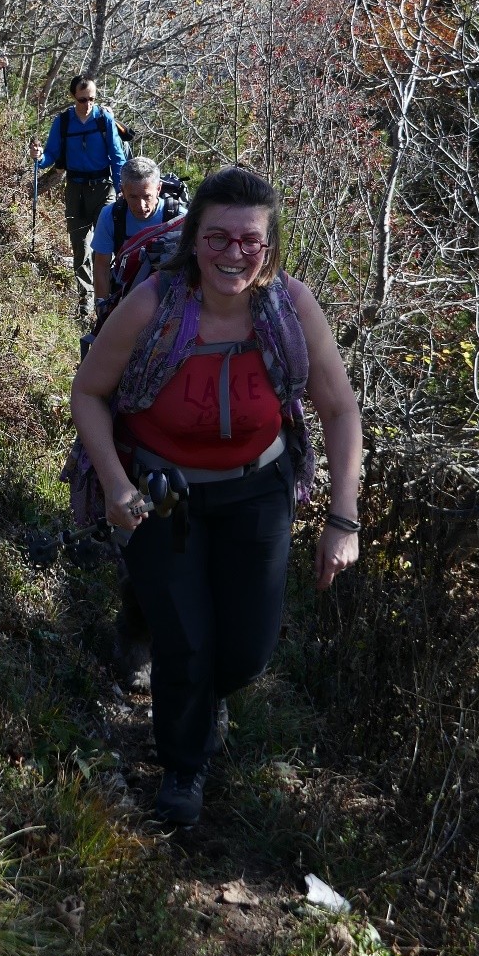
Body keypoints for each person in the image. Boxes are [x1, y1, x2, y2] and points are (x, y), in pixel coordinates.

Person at [69, 165, 362, 828]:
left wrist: (343, 518)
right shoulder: (154, 303)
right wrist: (115, 484)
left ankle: (177, 663)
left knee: (247, 650)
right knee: (189, 643)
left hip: (258, 490)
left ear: (271, 246)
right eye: (218, 239)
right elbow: (89, 392)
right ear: (194, 240)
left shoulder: (291, 308)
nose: (234, 254)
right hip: (159, 493)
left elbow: (340, 411)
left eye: (249, 241)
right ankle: (183, 765)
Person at [30, 77, 127, 319]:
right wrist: (38, 158)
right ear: (73, 97)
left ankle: (108, 299)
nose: (88, 104)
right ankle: (85, 301)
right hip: (75, 189)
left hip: (104, 188)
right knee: (80, 246)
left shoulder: (104, 120)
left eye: (92, 99)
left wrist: (122, 190)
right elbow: (50, 155)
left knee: (104, 246)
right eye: (83, 99)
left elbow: (117, 157)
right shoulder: (63, 122)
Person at [91, 156, 186, 306]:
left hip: (168, 296)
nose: (141, 205)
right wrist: (102, 306)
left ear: (158, 188)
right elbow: (101, 266)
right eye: (133, 197)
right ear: (122, 190)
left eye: (147, 196)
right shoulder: (111, 216)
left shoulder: (178, 217)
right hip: (124, 293)